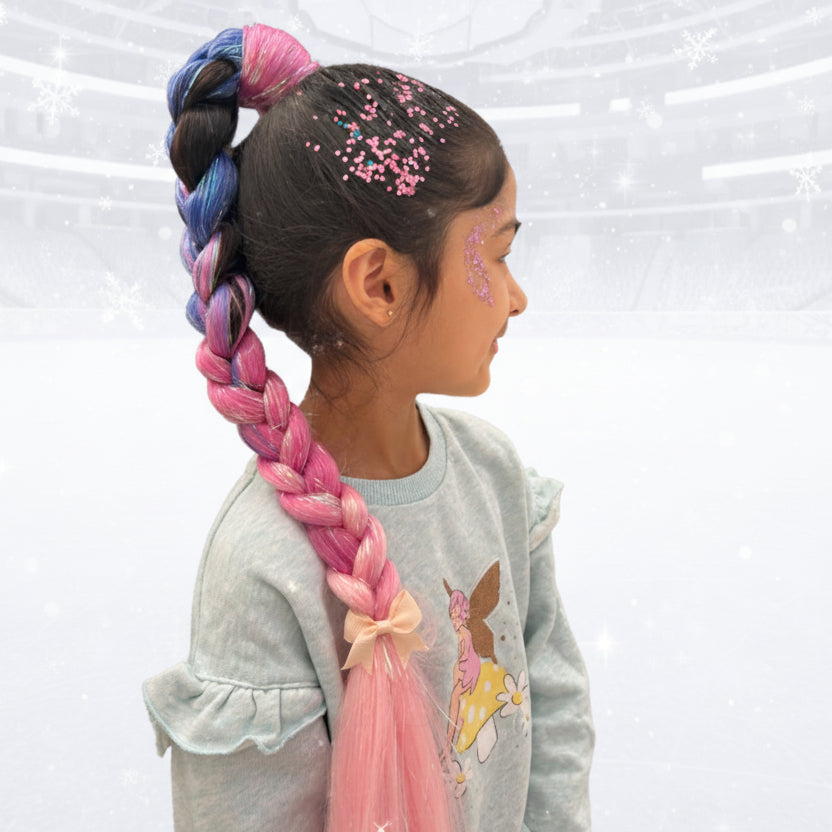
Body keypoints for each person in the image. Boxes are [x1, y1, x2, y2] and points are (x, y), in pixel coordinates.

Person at [142, 23, 594, 832]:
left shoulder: (491, 474)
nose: (517, 296)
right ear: (379, 285)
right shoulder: (262, 567)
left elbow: (552, 706)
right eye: (492, 256)